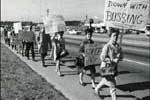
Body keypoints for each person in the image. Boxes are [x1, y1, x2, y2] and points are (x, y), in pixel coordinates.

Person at [94, 28, 123, 100]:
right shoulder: (107, 46)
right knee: (113, 86)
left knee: (104, 81)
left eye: (117, 36)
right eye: (114, 35)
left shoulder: (118, 46)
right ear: (110, 36)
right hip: (106, 69)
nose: (116, 37)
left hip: (113, 68)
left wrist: (119, 56)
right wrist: (112, 60)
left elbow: (121, 57)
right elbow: (102, 57)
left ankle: (96, 90)